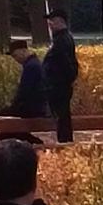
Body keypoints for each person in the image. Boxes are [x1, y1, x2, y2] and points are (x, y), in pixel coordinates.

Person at [42, 10, 79, 144]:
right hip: (59, 85)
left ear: (59, 21)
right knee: (62, 117)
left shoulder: (62, 40)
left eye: (52, 21)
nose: (49, 24)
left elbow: (66, 64)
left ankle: (64, 144)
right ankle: (65, 142)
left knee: (61, 118)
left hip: (58, 86)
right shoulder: (61, 38)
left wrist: (56, 82)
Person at [1, 40, 47, 139]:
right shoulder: (33, 64)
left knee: (1, 121)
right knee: (2, 120)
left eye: (15, 55)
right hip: (35, 105)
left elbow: (25, 92)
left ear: (23, 51)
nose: (15, 59)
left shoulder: (31, 67)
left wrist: (13, 106)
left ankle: (31, 142)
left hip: (33, 108)